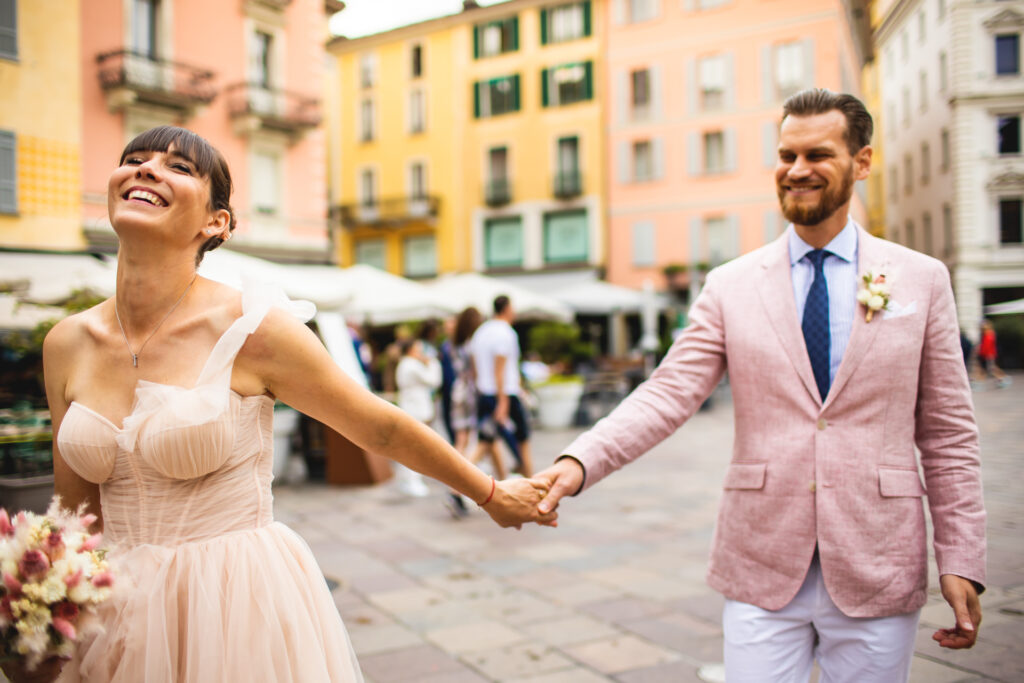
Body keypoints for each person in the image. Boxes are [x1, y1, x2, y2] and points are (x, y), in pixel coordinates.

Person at [29, 126, 553, 683]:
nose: (146, 168)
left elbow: (379, 428)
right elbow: (75, 513)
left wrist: (492, 493)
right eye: (133, 159)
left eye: (179, 167)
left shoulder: (255, 330)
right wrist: (39, 615)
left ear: (216, 223)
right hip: (117, 616)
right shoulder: (67, 343)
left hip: (233, 609)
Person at [530, 90, 986, 682]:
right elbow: (669, 392)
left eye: (817, 154)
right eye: (786, 155)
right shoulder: (730, 284)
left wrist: (961, 558)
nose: (797, 171)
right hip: (761, 561)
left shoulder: (921, 279)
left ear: (863, 161)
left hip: (878, 558)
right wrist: (579, 460)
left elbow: (949, 433)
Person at [469, 295, 533, 478]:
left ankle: (458, 489)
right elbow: (500, 370)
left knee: (486, 441)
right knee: (523, 440)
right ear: (506, 309)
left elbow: (474, 367)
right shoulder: (505, 332)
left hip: (485, 392)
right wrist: (503, 401)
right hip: (504, 393)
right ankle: (534, 488)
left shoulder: (481, 332)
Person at [393, 338, 441, 497]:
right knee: (415, 445)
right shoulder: (411, 365)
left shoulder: (406, 364)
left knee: (412, 444)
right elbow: (434, 380)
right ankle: (412, 480)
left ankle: (410, 480)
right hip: (414, 409)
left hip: (412, 407)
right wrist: (432, 362)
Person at [975, 319, 1011, 388]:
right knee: (990, 368)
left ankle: (1003, 378)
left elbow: (987, 346)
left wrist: (984, 353)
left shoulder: (989, 334)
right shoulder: (987, 334)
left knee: (991, 368)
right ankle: (1003, 378)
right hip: (987, 355)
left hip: (989, 355)